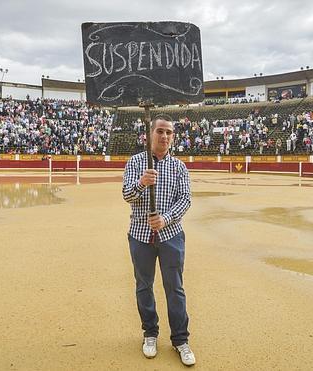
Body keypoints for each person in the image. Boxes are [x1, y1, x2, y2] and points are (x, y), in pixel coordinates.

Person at [122, 114, 195, 366]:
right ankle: (150, 333)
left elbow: (185, 199)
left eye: (169, 133)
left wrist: (165, 218)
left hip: (171, 235)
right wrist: (142, 182)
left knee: (174, 287)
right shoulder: (135, 162)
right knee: (144, 286)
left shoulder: (179, 167)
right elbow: (127, 195)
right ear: (149, 134)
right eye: (160, 131)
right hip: (140, 236)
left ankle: (180, 340)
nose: (165, 136)